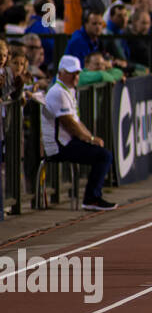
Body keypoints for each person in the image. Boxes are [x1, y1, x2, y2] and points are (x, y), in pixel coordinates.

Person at [40, 55, 115, 210]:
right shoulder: (58, 92)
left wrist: (90, 137)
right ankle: (91, 198)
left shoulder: (69, 90)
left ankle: (93, 196)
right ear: (61, 73)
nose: (76, 76)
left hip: (67, 142)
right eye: (72, 73)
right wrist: (89, 138)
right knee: (104, 156)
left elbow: (77, 121)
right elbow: (69, 123)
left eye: (77, 73)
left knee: (102, 153)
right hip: (59, 146)